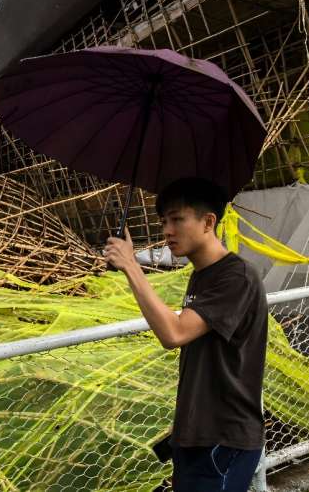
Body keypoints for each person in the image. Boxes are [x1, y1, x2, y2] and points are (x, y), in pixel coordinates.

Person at [103, 177, 267, 492]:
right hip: (196, 435)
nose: (167, 230)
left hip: (224, 439)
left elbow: (174, 334)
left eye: (177, 219)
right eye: (164, 221)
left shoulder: (237, 276)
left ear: (208, 222)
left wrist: (131, 267)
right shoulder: (201, 276)